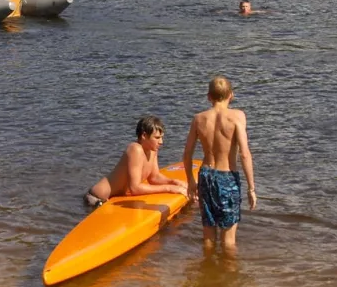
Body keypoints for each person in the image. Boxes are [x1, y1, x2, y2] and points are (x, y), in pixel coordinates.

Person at [183, 75, 257, 253]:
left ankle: (207, 272)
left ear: (209, 96)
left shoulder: (199, 119)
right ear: (231, 95)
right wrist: (251, 188)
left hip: (206, 176)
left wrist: (191, 182)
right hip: (227, 178)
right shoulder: (237, 117)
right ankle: (228, 277)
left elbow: (187, 154)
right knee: (228, 241)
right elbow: (245, 155)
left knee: (208, 235)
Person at [86, 116, 189, 208]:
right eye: (157, 138)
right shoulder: (135, 149)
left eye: (162, 137)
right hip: (96, 200)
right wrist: (169, 188)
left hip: (116, 199)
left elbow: (154, 177)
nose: (161, 142)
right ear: (144, 136)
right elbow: (134, 188)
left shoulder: (153, 149)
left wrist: (174, 182)